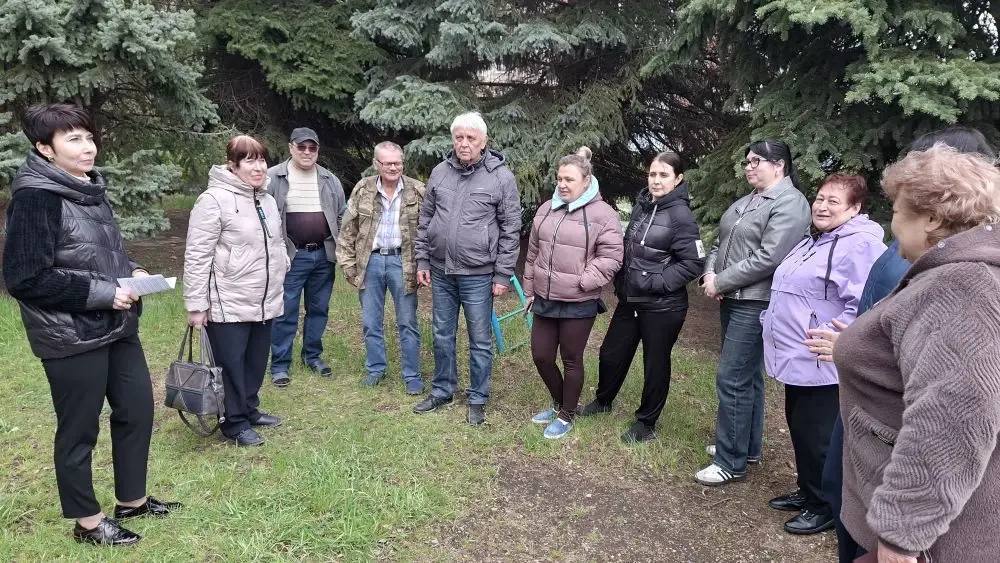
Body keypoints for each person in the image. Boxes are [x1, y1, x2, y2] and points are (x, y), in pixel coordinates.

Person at [808, 126, 995, 562]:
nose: (891, 226)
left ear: (931, 219)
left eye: (895, 211)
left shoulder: (961, 285)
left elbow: (954, 417)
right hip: (884, 503)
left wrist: (900, 538)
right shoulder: (954, 272)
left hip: (920, 537)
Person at [2, 103, 180, 546]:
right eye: (74, 139)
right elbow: (25, 278)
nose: (88, 147)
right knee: (79, 429)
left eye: (89, 137)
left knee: (137, 409)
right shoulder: (37, 197)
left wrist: (134, 271)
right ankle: (87, 522)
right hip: (70, 335)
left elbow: (100, 253)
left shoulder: (88, 189)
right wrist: (103, 293)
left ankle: (133, 501)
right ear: (45, 149)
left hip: (117, 325)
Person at [759, 174, 886, 535]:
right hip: (796, 356)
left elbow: (866, 301)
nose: (822, 206)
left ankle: (825, 506)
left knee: (819, 437)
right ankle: (807, 490)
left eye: (834, 201)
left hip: (821, 359)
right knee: (800, 427)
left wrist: (836, 335)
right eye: (819, 198)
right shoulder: (813, 239)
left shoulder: (860, 245)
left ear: (855, 208)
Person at [696, 139, 811, 485]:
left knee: (732, 377)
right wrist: (711, 276)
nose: (748, 167)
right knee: (747, 377)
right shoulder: (746, 201)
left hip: (757, 301)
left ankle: (730, 461)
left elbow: (770, 257)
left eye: (755, 161)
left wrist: (722, 281)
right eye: (746, 161)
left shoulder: (790, 202)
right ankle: (745, 447)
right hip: (734, 297)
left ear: (779, 165)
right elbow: (719, 243)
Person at [578, 151, 704, 443]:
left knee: (655, 363)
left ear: (678, 179)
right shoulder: (643, 205)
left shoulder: (681, 216)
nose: (656, 180)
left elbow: (693, 263)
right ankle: (603, 400)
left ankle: (646, 423)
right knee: (611, 353)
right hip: (631, 299)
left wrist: (655, 281)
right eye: (652, 174)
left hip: (663, 306)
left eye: (663, 175)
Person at [412, 111, 522, 426]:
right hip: (441, 271)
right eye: (458, 137)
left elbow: (511, 229)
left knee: (480, 339)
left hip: (479, 275)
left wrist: (502, 274)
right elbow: (425, 219)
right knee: (442, 333)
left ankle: (477, 398)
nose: (464, 143)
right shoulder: (440, 172)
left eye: (470, 138)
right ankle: (443, 390)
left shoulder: (501, 177)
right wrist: (422, 259)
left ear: (483, 141)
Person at [184, 135, 289, 447]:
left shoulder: (266, 199)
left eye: (261, 160)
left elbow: (275, 241)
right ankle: (234, 423)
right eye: (249, 161)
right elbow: (197, 255)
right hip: (228, 300)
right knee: (230, 365)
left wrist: (282, 262)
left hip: (264, 298)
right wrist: (196, 304)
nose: (258, 167)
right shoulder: (213, 200)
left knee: (255, 361)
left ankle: (249, 409)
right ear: (233, 165)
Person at [523, 147, 624, 439]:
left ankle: (566, 415)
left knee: (571, 358)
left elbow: (611, 257)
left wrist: (583, 281)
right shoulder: (547, 209)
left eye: (569, 179)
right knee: (541, 355)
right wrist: (529, 290)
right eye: (559, 179)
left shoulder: (603, 214)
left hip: (579, 301)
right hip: (545, 297)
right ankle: (560, 403)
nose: (563, 184)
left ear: (586, 180)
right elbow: (533, 253)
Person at [336, 142, 426, 393]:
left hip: (403, 262)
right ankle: (375, 369)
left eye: (397, 163)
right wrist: (349, 266)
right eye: (387, 163)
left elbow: (427, 231)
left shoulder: (418, 190)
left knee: (407, 322)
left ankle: (412, 375)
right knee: (371, 321)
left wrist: (423, 264)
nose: (393, 168)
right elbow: (348, 229)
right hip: (370, 262)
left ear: (402, 163)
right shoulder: (362, 188)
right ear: (377, 164)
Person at [266, 127, 346, 387]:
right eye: (302, 147)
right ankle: (280, 364)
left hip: (323, 254)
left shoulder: (329, 179)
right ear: (291, 147)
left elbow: (341, 215)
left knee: (319, 309)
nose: (307, 152)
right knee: (285, 310)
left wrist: (340, 245)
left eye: (312, 147)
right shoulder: (273, 177)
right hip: (291, 255)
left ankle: (312, 356)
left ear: (317, 150)